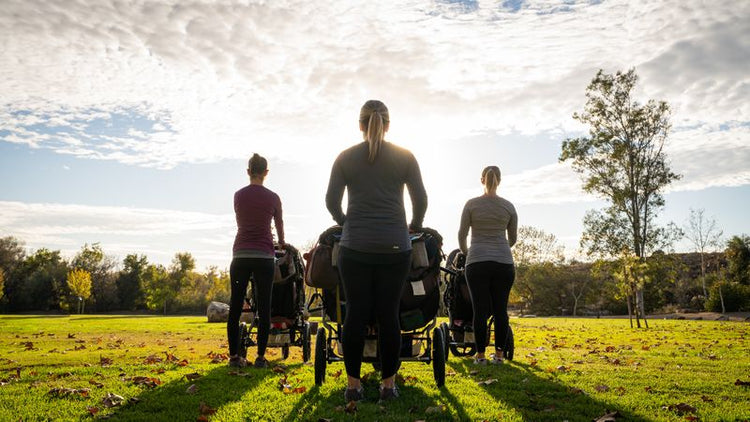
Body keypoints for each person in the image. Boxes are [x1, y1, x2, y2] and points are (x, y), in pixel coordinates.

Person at [326, 99, 428, 403]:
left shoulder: (345, 157)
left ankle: (353, 386)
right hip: (395, 247)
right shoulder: (405, 156)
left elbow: (331, 201)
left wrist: (347, 223)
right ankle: (387, 386)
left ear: (360, 125)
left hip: (355, 246)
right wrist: (414, 225)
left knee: (355, 314)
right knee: (388, 315)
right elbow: (420, 199)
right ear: (388, 125)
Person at [227, 153, 285, 369]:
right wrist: (282, 242)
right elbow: (279, 225)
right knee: (264, 306)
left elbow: (243, 219)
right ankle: (261, 357)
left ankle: (234, 356)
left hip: (241, 254)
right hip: (264, 256)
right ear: (266, 173)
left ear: (248, 171)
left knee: (235, 306)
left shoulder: (238, 196)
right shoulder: (273, 197)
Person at [457, 165, 517, 365]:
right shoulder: (508, 206)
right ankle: (499, 355)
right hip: (503, 263)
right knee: (500, 310)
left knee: (480, 311)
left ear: (482, 179)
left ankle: (480, 355)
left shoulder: (471, 204)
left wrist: (469, 252)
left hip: (477, 262)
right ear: (499, 180)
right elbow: (513, 239)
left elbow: (461, 235)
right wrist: (500, 248)